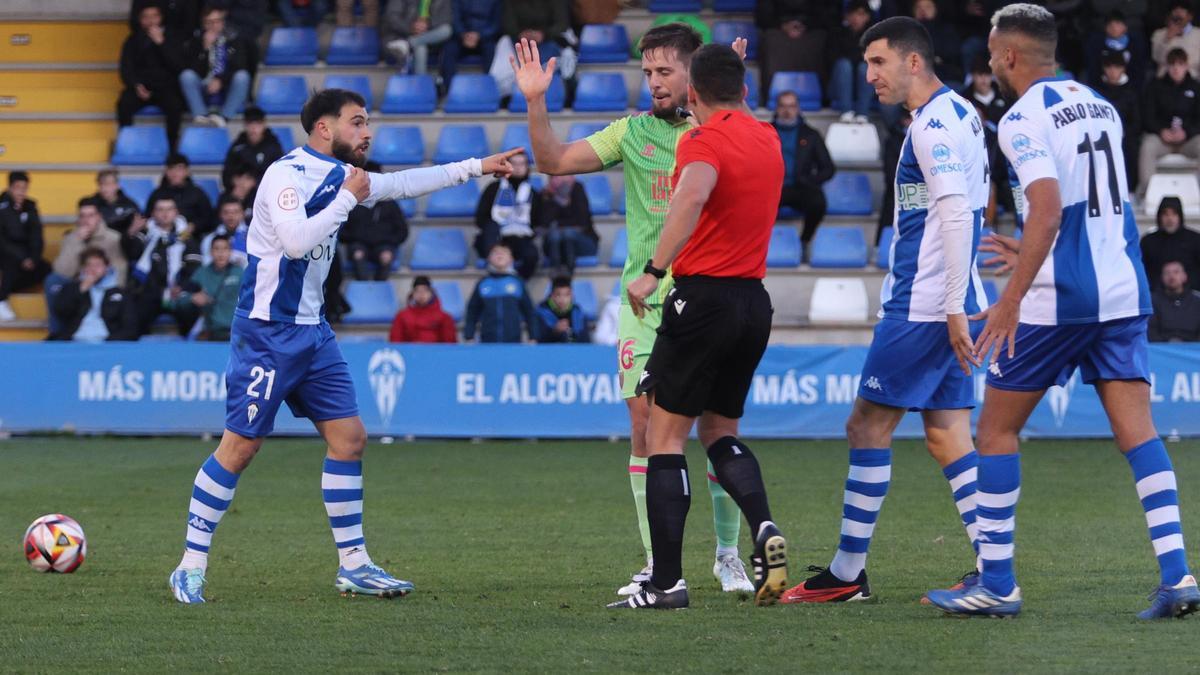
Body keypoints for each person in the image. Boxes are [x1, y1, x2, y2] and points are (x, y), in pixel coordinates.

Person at [166, 87, 522, 604]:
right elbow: (294, 242)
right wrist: (347, 199)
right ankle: (190, 564)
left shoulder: (341, 176)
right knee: (240, 448)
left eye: (368, 121)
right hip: (267, 334)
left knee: (350, 439)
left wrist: (476, 165)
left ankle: (354, 565)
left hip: (313, 332)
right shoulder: (285, 174)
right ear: (324, 129)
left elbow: (400, 183)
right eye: (357, 122)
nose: (367, 131)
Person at [929, 4, 1200, 619]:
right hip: (1123, 289)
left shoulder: (1021, 118)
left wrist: (1010, 299)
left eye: (995, 53)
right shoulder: (1099, 103)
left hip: (1060, 300)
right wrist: (1028, 249)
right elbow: (1093, 206)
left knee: (994, 431)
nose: (992, 61)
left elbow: (1050, 210)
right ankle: (1178, 575)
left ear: (1012, 56)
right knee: (1140, 435)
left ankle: (997, 583)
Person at [511, 24, 756, 596]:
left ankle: (727, 555)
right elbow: (551, 160)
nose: (653, 83)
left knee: (716, 429)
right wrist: (535, 99)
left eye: (664, 72)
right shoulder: (632, 133)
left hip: (707, 297)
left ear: (694, 74)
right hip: (643, 304)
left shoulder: (721, 133)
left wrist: (734, 87)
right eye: (647, 73)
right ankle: (657, 562)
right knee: (645, 428)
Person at [782, 16, 991, 606]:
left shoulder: (931, 128)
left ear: (913, 61)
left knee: (867, 425)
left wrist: (948, 306)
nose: (868, 74)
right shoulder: (962, 113)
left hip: (925, 304)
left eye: (878, 62)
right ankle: (992, 565)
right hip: (952, 295)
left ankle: (848, 574)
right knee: (949, 436)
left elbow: (953, 212)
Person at [611, 44, 790, 610]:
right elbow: (729, 104)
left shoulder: (700, 140)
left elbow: (690, 196)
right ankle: (761, 526)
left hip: (701, 298)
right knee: (720, 433)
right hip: (752, 305)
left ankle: (665, 582)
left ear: (692, 92)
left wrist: (652, 272)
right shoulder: (768, 136)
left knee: (665, 439)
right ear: (743, 88)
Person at [122, 196, 203, 337]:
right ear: (153, 213)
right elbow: (131, 254)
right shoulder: (143, 234)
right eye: (160, 210)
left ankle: (190, 350)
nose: (165, 213)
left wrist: (182, 287)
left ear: (176, 212)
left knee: (189, 308)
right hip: (149, 293)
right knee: (136, 312)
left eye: (169, 209)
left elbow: (194, 268)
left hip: (178, 292)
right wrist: (131, 233)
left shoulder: (186, 237)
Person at [118, 4, 185, 151]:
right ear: (140, 20)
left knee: (175, 106)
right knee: (123, 104)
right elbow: (125, 69)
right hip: (141, 87)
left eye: (154, 16)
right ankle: (126, 144)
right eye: (146, 17)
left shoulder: (173, 37)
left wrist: (162, 43)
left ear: (161, 18)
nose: (151, 21)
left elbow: (179, 66)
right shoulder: (132, 41)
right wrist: (136, 85)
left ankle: (172, 147)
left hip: (166, 87)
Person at [773, 90, 835, 249]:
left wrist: (810, 181)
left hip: (801, 187)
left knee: (818, 202)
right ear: (777, 108)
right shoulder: (765, 132)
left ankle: (805, 240)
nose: (787, 111)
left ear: (798, 109)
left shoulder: (811, 134)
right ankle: (757, 244)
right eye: (783, 106)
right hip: (772, 188)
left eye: (792, 106)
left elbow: (828, 168)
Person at [177, 5, 255, 128]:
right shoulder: (196, 40)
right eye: (209, 22)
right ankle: (200, 115)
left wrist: (220, 80)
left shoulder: (234, 39)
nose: (213, 25)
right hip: (204, 85)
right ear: (203, 24)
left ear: (222, 22)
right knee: (186, 76)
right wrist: (205, 49)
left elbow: (240, 66)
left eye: (216, 21)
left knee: (242, 76)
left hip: (227, 87)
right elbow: (192, 69)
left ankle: (224, 117)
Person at [1138, 48, 1200, 198]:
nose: (1176, 68)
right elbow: (1147, 117)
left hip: (1188, 140)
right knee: (1147, 146)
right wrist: (1161, 131)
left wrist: (1187, 131)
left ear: (1186, 66)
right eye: (1172, 65)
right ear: (1167, 66)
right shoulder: (1155, 86)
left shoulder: (1196, 87)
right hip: (1162, 140)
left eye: (1180, 64)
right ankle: (1148, 192)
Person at [474, 152, 540, 280]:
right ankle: (494, 274)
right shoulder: (493, 189)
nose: (518, 167)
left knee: (531, 255)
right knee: (491, 229)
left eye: (522, 164)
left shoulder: (533, 193)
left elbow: (537, 222)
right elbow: (480, 218)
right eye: (514, 163)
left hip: (520, 237)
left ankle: (517, 283)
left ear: (527, 167)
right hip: (495, 236)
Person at [48, 248, 135, 342]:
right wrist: (80, 290)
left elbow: (130, 327)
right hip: (74, 340)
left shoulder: (120, 293)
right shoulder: (71, 288)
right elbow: (60, 312)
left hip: (107, 342)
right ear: (83, 268)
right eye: (88, 265)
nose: (92, 269)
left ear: (107, 267)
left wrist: (110, 342)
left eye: (98, 265)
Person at [343, 161, 409, 281]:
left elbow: (402, 231)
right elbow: (342, 231)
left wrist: (389, 241)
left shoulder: (390, 204)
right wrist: (355, 238)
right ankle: (363, 288)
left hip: (384, 245)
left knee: (386, 256)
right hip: (359, 244)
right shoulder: (353, 202)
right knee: (357, 253)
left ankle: (380, 288)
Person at [172, 234, 244, 341]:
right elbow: (179, 299)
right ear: (210, 252)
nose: (221, 254)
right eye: (216, 249)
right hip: (210, 333)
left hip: (234, 333)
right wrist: (193, 298)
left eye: (225, 249)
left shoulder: (240, 273)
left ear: (231, 252)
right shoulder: (202, 273)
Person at [0, 171, 50, 322]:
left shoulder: (31, 207)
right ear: (10, 188)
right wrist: (22, 257)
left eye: (24, 188)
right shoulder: (2, 207)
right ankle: (2, 299)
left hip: (26, 256)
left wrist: (33, 258)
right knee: (9, 261)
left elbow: (37, 235)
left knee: (45, 268)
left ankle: (8, 288)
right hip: (6, 254)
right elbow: (2, 239)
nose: (21, 192)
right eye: (17, 187)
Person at [462, 243, 537, 343]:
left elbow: (529, 312)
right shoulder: (483, 283)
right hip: (487, 341)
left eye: (504, 253)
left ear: (511, 259)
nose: (499, 255)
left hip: (513, 341)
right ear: (489, 258)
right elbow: (472, 311)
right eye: (495, 252)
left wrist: (533, 336)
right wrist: (469, 336)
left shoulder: (517, 283)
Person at [54, 198, 127, 286]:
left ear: (99, 216)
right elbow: (62, 272)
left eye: (90, 215)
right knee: (53, 280)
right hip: (78, 287)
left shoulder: (113, 238)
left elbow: (120, 270)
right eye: (82, 216)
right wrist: (77, 241)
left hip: (105, 285)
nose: (86, 220)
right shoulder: (71, 238)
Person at [1095, 51, 1141, 192]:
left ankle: (1130, 190)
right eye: (1109, 67)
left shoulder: (1132, 91)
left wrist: (1122, 133)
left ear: (1123, 69)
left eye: (1117, 67)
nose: (1113, 71)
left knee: (1131, 148)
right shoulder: (1096, 90)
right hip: (1100, 135)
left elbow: (1137, 121)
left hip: (1125, 137)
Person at [539, 174, 597, 275]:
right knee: (555, 235)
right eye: (555, 176)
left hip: (582, 242)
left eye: (564, 175)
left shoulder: (577, 188)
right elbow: (544, 223)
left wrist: (558, 225)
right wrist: (554, 199)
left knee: (567, 233)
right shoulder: (546, 194)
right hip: (554, 243)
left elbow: (582, 221)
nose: (560, 179)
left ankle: (569, 271)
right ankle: (556, 270)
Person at [828, 1, 875, 122]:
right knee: (844, 65)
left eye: (860, 14)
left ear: (867, 17)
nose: (855, 18)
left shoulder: (874, 36)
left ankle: (862, 114)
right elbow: (832, 60)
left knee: (865, 68)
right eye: (852, 14)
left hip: (867, 88)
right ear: (846, 16)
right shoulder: (836, 33)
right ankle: (846, 113)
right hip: (839, 87)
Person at [1141, 196, 1200, 292]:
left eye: (1174, 214)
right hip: (1157, 298)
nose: (1170, 218)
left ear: (1180, 216)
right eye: (1165, 214)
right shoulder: (1148, 242)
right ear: (1159, 216)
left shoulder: (1195, 239)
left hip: (1192, 298)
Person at [148, 153, 215, 236]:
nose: (175, 173)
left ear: (187, 171)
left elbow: (208, 218)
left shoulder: (197, 194)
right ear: (166, 172)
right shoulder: (157, 195)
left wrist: (194, 226)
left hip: (192, 238)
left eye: (179, 168)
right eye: (171, 168)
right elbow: (149, 217)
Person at [441, 0, 503, 88]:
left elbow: (496, 24)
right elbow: (454, 19)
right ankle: (449, 90)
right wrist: (463, 34)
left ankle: (490, 89)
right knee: (449, 49)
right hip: (462, 36)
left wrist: (480, 36)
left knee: (491, 49)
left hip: (485, 37)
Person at [382, 0, 452, 75]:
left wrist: (428, 24)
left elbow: (446, 17)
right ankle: (420, 83)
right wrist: (411, 28)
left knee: (447, 30)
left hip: (431, 36)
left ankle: (407, 43)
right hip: (405, 34)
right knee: (420, 47)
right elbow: (392, 17)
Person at [222, 106, 284, 189]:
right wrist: (235, 180)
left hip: (266, 191)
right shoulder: (237, 146)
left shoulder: (273, 146)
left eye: (257, 123)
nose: (253, 128)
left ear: (264, 125)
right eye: (250, 123)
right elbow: (226, 174)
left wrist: (254, 182)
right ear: (245, 125)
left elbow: (279, 174)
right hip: (240, 192)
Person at [388, 275, 457, 343]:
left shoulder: (444, 318)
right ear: (413, 294)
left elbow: (449, 346)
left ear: (431, 293)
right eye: (417, 291)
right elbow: (395, 342)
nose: (421, 294)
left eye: (425, 290)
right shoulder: (401, 316)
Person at [912, 0, 963, 87]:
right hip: (914, 79)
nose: (923, 10)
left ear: (935, 9)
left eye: (928, 7)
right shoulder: (907, 32)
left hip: (944, 77)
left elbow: (951, 54)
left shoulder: (946, 30)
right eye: (919, 7)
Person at [504, 0, 569, 63]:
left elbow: (562, 24)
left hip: (548, 39)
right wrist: (521, 34)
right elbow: (508, 23)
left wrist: (543, 35)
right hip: (519, 39)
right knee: (505, 44)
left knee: (550, 50)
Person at [1149, 260, 1200, 341]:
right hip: (1160, 350)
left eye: (1176, 272)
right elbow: (1150, 330)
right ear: (1162, 277)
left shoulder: (1197, 301)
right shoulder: (1152, 301)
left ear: (1184, 276)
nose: (1171, 276)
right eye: (1167, 273)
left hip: (1193, 351)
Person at [1151, 1, 1200, 79]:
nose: (1178, 14)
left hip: (1192, 79)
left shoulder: (1198, 34)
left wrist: (1182, 67)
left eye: (1182, 11)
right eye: (1175, 11)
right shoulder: (1159, 34)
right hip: (1165, 79)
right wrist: (1167, 38)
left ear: (1190, 16)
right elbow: (1156, 58)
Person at [536, 276, 590, 343]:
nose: (562, 299)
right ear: (552, 295)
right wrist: (555, 332)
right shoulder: (541, 312)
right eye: (558, 295)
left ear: (572, 296)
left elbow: (586, 341)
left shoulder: (578, 312)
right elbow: (538, 340)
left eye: (566, 295)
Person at [201, 196, 250, 267]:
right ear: (220, 215)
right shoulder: (210, 239)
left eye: (235, 212)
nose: (231, 216)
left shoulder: (253, 236)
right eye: (226, 212)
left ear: (242, 214)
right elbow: (207, 265)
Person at [91, 169, 142, 234]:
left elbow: (138, 226)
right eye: (100, 184)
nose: (103, 188)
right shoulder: (92, 205)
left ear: (117, 185)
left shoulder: (129, 205)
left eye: (107, 184)